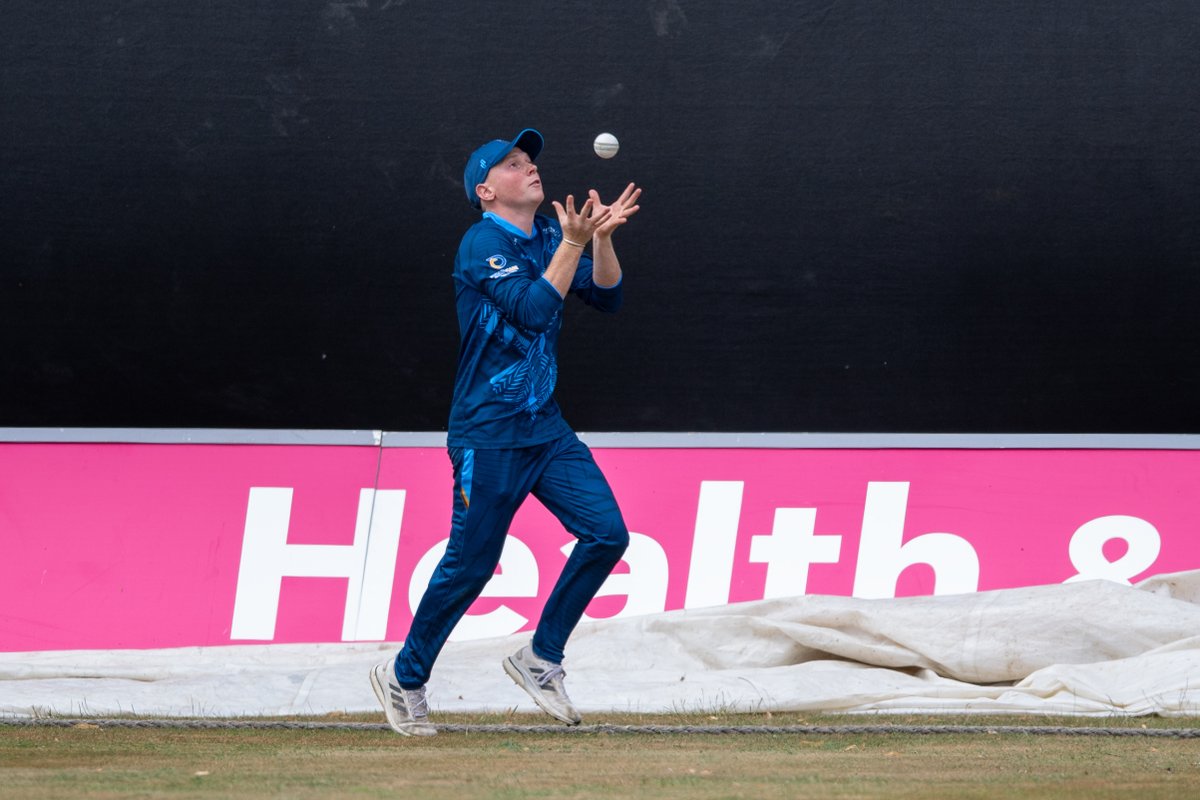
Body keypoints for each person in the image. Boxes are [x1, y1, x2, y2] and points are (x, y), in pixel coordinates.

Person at [370, 128, 642, 736]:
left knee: (606, 535)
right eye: (514, 165)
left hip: (545, 431)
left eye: (531, 161)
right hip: (486, 435)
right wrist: (572, 243)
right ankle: (404, 677)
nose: (531, 169)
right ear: (486, 190)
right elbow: (535, 309)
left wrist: (596, 242)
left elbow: (608, 297)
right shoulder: (480, 244)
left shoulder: (550, 233)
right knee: (471, 566)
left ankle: (541, 657)